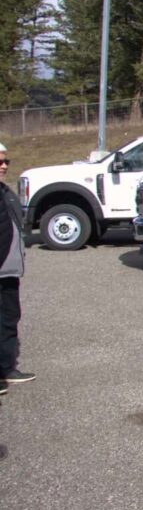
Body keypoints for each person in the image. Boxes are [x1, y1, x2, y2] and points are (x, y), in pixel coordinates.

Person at [0, 142, 33, 396]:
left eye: (6, 161)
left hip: (9, 272)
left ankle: (6, 368)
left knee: (10, 318)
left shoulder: (5, 191)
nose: (4, 166)